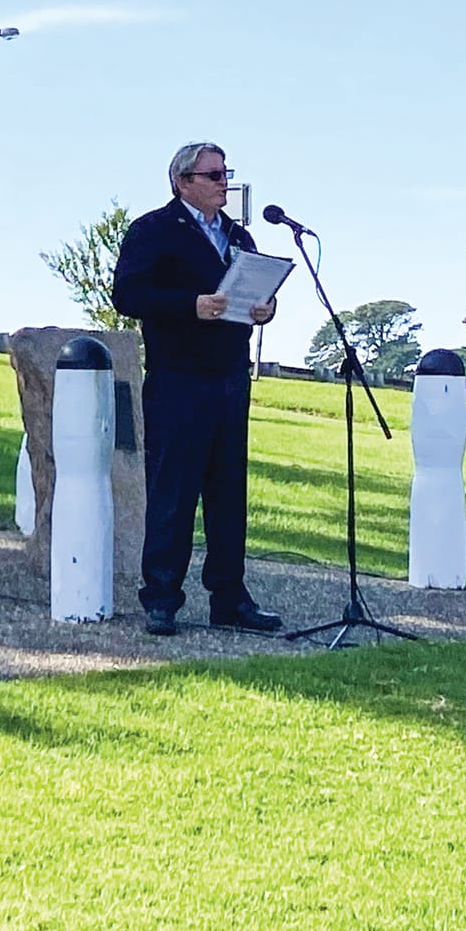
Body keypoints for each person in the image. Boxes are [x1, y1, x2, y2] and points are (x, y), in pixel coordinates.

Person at [112, 141, 281, 636]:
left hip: (229, 376)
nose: (222, 182)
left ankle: (229, 596)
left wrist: (264, 309)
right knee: (174, 491)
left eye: (225, 173)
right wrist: (192, 304)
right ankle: (161, 596)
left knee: (228, 494)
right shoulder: (154, 230)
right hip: (179, 377)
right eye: (212, 175)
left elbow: (253, 290)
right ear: (183, 181)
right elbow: (128, 294)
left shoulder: (237, 235)